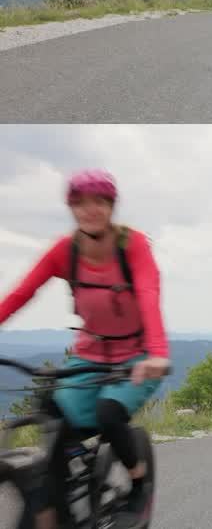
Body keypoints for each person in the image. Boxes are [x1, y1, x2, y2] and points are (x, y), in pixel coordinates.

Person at [0, 170, 170, 529]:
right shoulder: (66, 251)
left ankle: (139, 484)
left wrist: (156, 352)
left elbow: (148, 296)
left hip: (138, 357)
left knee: (109, 413)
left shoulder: (132, 246)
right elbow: (21, 293)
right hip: (88, 355)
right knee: (52, 423)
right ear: (71, 207)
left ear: (111, 206)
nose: (90, 210)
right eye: (81, 202)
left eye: (100, 202)